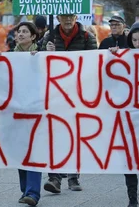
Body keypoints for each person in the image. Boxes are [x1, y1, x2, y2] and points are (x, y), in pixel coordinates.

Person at [41, 14, 97, 193]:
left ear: (76, 17)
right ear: (57, 17)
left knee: (74, 134)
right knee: (54, 136)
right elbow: (40, 64)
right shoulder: (49, 37)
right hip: (55, 94)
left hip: (77, 95)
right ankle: (54, 178)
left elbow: (94, 63)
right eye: (64, 16)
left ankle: (73, 176)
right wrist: (45, 52)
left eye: (71, 16)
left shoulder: (88, 38)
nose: (67, 20)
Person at [110, 22, 139, 207]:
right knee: (129, 157)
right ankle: (132, 200)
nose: (137, 44)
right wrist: (111, 57)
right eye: (134, 40)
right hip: (128, 115)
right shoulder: (124, 58)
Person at [13, 21, 42, 207]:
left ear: (33, 36)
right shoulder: (10, 57)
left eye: (25, 31)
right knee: (20, 151)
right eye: (19, 31)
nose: (21, 34)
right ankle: (25, 190)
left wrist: (40, 60)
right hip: (16, 110)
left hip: (36, 110)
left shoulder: (40, 55)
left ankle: (33, 192)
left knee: (34, 150)